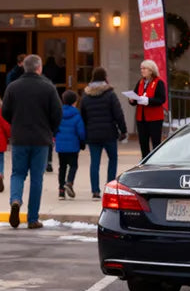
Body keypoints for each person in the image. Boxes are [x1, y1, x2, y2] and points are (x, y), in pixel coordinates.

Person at [1, 54, 62, 229]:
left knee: (17, 174)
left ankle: (15, 200)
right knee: (37, 178)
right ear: (39, 68)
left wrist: (16, 122)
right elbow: (57, 113)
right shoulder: (48, 87)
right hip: (41, 139)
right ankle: (32, 218)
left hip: (19, 137)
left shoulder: (13, 87)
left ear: (24, 67)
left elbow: (5, 111)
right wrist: (51, 129)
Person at [79, 67, 128, 199]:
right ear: (105, 77)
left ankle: (95, 191)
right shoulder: (110, 94)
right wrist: (123, 130)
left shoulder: (86, 95)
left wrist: (83, 134)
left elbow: (82, 116)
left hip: (92, 134)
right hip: (109, 133)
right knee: (113, 159)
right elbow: (118, 113)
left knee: (94, 162)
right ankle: (109, 188)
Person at [128, 59, 167, 158]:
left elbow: (161, 99)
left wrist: (148, 100)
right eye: (141, 68)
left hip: (155, 118)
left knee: (156, 142)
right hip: (141, 118)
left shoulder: (159, 82)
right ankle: (145, 161)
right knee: (143, 142)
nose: (142, 70)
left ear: (151, 70)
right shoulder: (140, 82)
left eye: (144, 68)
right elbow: (136, 96)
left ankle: (156, 161)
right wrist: (132, 100)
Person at [54, 89, 85, 200]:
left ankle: (61, 191)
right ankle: (70, 182)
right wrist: (82, 142)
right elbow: (80, 131)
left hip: (61, 146)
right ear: (75, 102)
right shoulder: (77, 114)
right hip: (73, 146)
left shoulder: (58, 113)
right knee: (73, 165)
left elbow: (55, 128)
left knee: (62, 167)